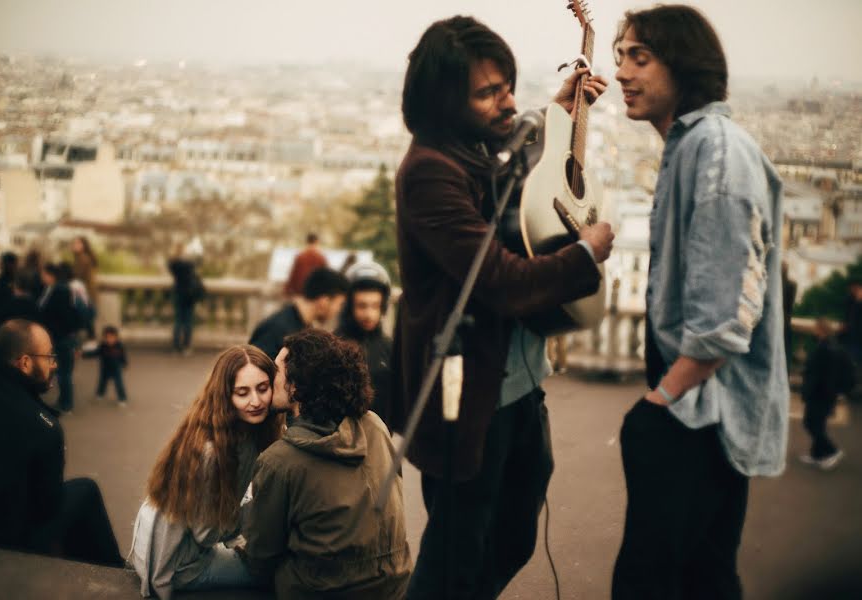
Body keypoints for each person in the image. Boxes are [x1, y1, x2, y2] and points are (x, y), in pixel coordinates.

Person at [392, 16, 614, 599]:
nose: (506, 101)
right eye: (489, 92)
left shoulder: (471, 146)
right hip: (466, 397)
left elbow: (513, 151)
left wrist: (558, 111)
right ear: (445, 101)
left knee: (514, 539)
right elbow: (500, 281)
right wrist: (584, 258)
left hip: (517, 383)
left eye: (507, 85)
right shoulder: (428, 173)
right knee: (453, 561)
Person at [610, 6, 789, 599]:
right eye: (620, 57)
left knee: (653, 582)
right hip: (694, 405)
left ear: (682, 64)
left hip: (697, 411)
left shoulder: (714, 150)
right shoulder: (696, 146)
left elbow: (724, 316)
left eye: (640, 56)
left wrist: (660, 402)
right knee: (700, 578)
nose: (622, 73)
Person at [243, 329, 412, 599]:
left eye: (275, 371)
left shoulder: (280, 460)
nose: (268, 378)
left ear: (295, 387)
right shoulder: (374, 425)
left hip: (321, 591)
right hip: (394, 584)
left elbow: (260, 558)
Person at [129, 345, 285, 599]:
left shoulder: (241, 431)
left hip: (173, 548)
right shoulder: (212, 451)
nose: (256, 401)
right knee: (272, 572)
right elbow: (206, 534)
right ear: (226, 396)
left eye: (263, 388)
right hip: (181, 564)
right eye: (242, 393)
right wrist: (255, 514)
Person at [0, 319, 122, 566]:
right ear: (25, 363)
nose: (55, 363)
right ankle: (115, 569)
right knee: (86, 490)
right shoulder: (44, 427)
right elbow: (46, 508)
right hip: (2, 544)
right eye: (48, 356)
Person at [334, 261, 394, 425]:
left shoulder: (390, 348)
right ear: (349, 306)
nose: (369, 314)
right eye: (362, 305)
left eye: (375, 306)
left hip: (380, 442)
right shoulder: (332, 346)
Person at [248, 267, 348, 358]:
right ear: (324, 301)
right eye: (340, 304)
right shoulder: (277, 328)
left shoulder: (301, 326)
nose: (338, 310)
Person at [800, 319, 853, 469]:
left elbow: (826, 374)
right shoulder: (828, 345)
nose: (813, 331)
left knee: (811, 423)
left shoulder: (827, 348)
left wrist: (824, 393)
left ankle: (833, 451)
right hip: (823, 393)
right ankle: (816, 455)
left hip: (821, 394)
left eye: (816, 328)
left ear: (822, 330)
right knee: (817, 424)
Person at [38, 263, 82, 413]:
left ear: (50, 275)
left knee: (64, 372)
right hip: (63, 335)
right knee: (63, 372)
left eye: (43, 274)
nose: (41, 277)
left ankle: (66, 404)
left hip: (61, 336)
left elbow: (60, 314)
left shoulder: (59, 290)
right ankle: (64, 401)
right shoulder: (57, 288)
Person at [168, 249, 205, 355]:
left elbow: (170, 265)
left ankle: (176, 346)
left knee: (178, 321)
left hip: (178, 294)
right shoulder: (189, 265)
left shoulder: (175, 265)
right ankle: (186, 346)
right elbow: (199, 262)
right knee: (188, 322)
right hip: (189, 296)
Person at [84, 325, 129, 406]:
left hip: (116, 369)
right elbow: (95, 353)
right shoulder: (103, 346)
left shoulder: (119, 346)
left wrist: (125, 364)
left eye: (112, 337)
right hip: (105, 368)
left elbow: (123, 356)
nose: (110, 340)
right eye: (107, 337)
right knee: (102, 382)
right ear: (104, 338)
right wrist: (84, 354)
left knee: (119, 383)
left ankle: (122, 398)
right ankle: (100, 394)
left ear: (116, 337)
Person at [0, 270, 40, 336]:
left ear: (16, 286)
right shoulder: (36, 307)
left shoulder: (8, 306)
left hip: (11, 341)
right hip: (29, 341)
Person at [283, 232, 327, 297]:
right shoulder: (321, 257)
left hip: (300, 290)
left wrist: (287, 289)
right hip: (315, 291)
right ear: (317, 241)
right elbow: (325, 276)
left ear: (306, 241)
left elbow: (294, 274)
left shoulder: (300, 256)